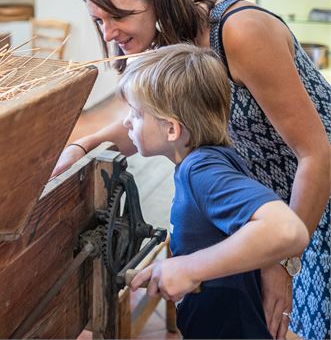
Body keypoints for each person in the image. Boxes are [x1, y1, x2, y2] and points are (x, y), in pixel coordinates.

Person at [52, 0, 331, 339]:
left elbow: (316, 153)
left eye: (118, 16)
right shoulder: (166, 42)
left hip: (317, 193)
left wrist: (283, 262)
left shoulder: (239, 32)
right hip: (267, 198)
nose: (109, 33)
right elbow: (146, 123)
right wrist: (83, 145)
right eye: (99, 20)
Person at [115, 44, 309, 338]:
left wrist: (190, 268)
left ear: (172, 129)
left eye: (137, 113)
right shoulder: (211, 157)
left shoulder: (202, 170)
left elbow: (288, 230)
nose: (127, 121)